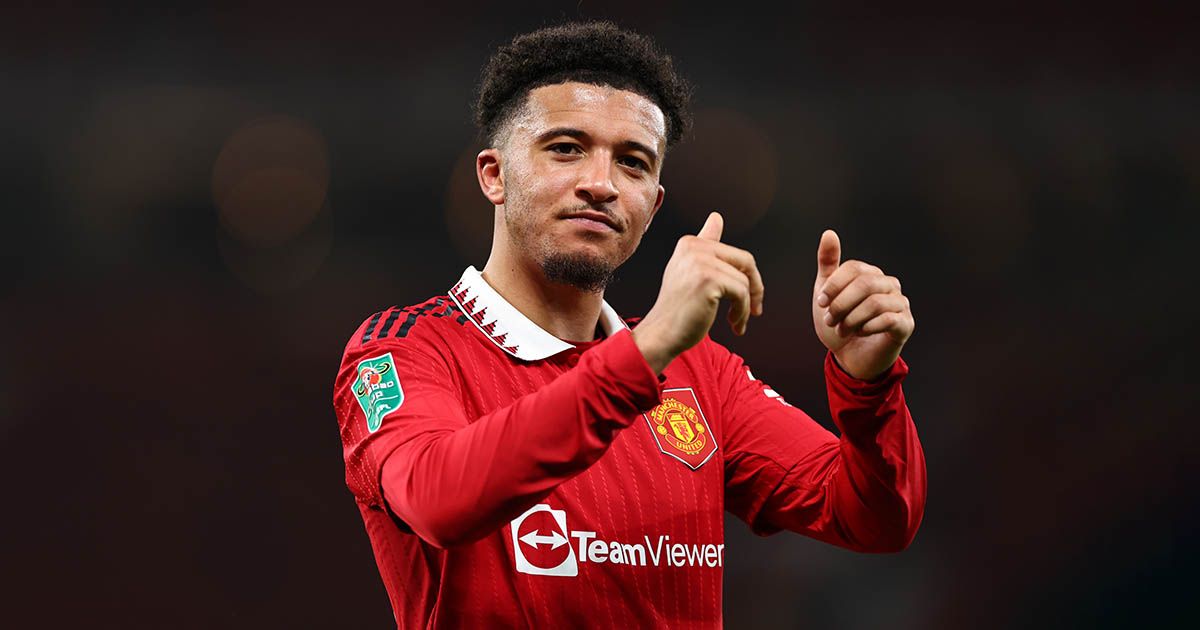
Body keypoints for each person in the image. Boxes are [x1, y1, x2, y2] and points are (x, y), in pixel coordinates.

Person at [332, 20, 925, 628]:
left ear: (655, 204)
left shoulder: (702, 373)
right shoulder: (405, 350)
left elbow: (874, 519)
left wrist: (869, 387)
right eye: (565, 148)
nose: (601, 184)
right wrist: (646, 352)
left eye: (633, 163)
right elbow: (437, 500)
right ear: (494, 175)